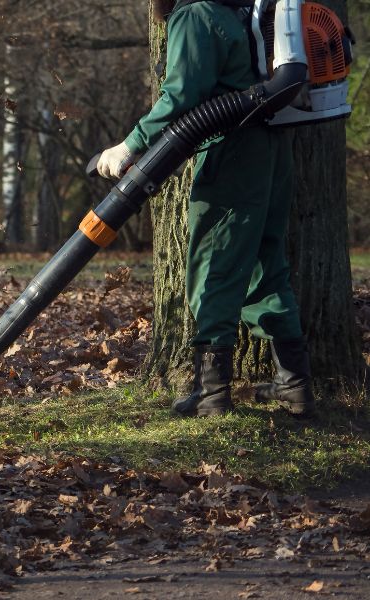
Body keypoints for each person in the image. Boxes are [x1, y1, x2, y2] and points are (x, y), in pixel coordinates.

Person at [97, 0, 315, 417]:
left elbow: (180, 97)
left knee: (215, 263)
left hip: (232, 154)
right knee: (265, 263)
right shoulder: (242, 13)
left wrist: (129, 146)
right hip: (272, 150)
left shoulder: (197, 16)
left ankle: (212, 394)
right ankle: (296, 386)